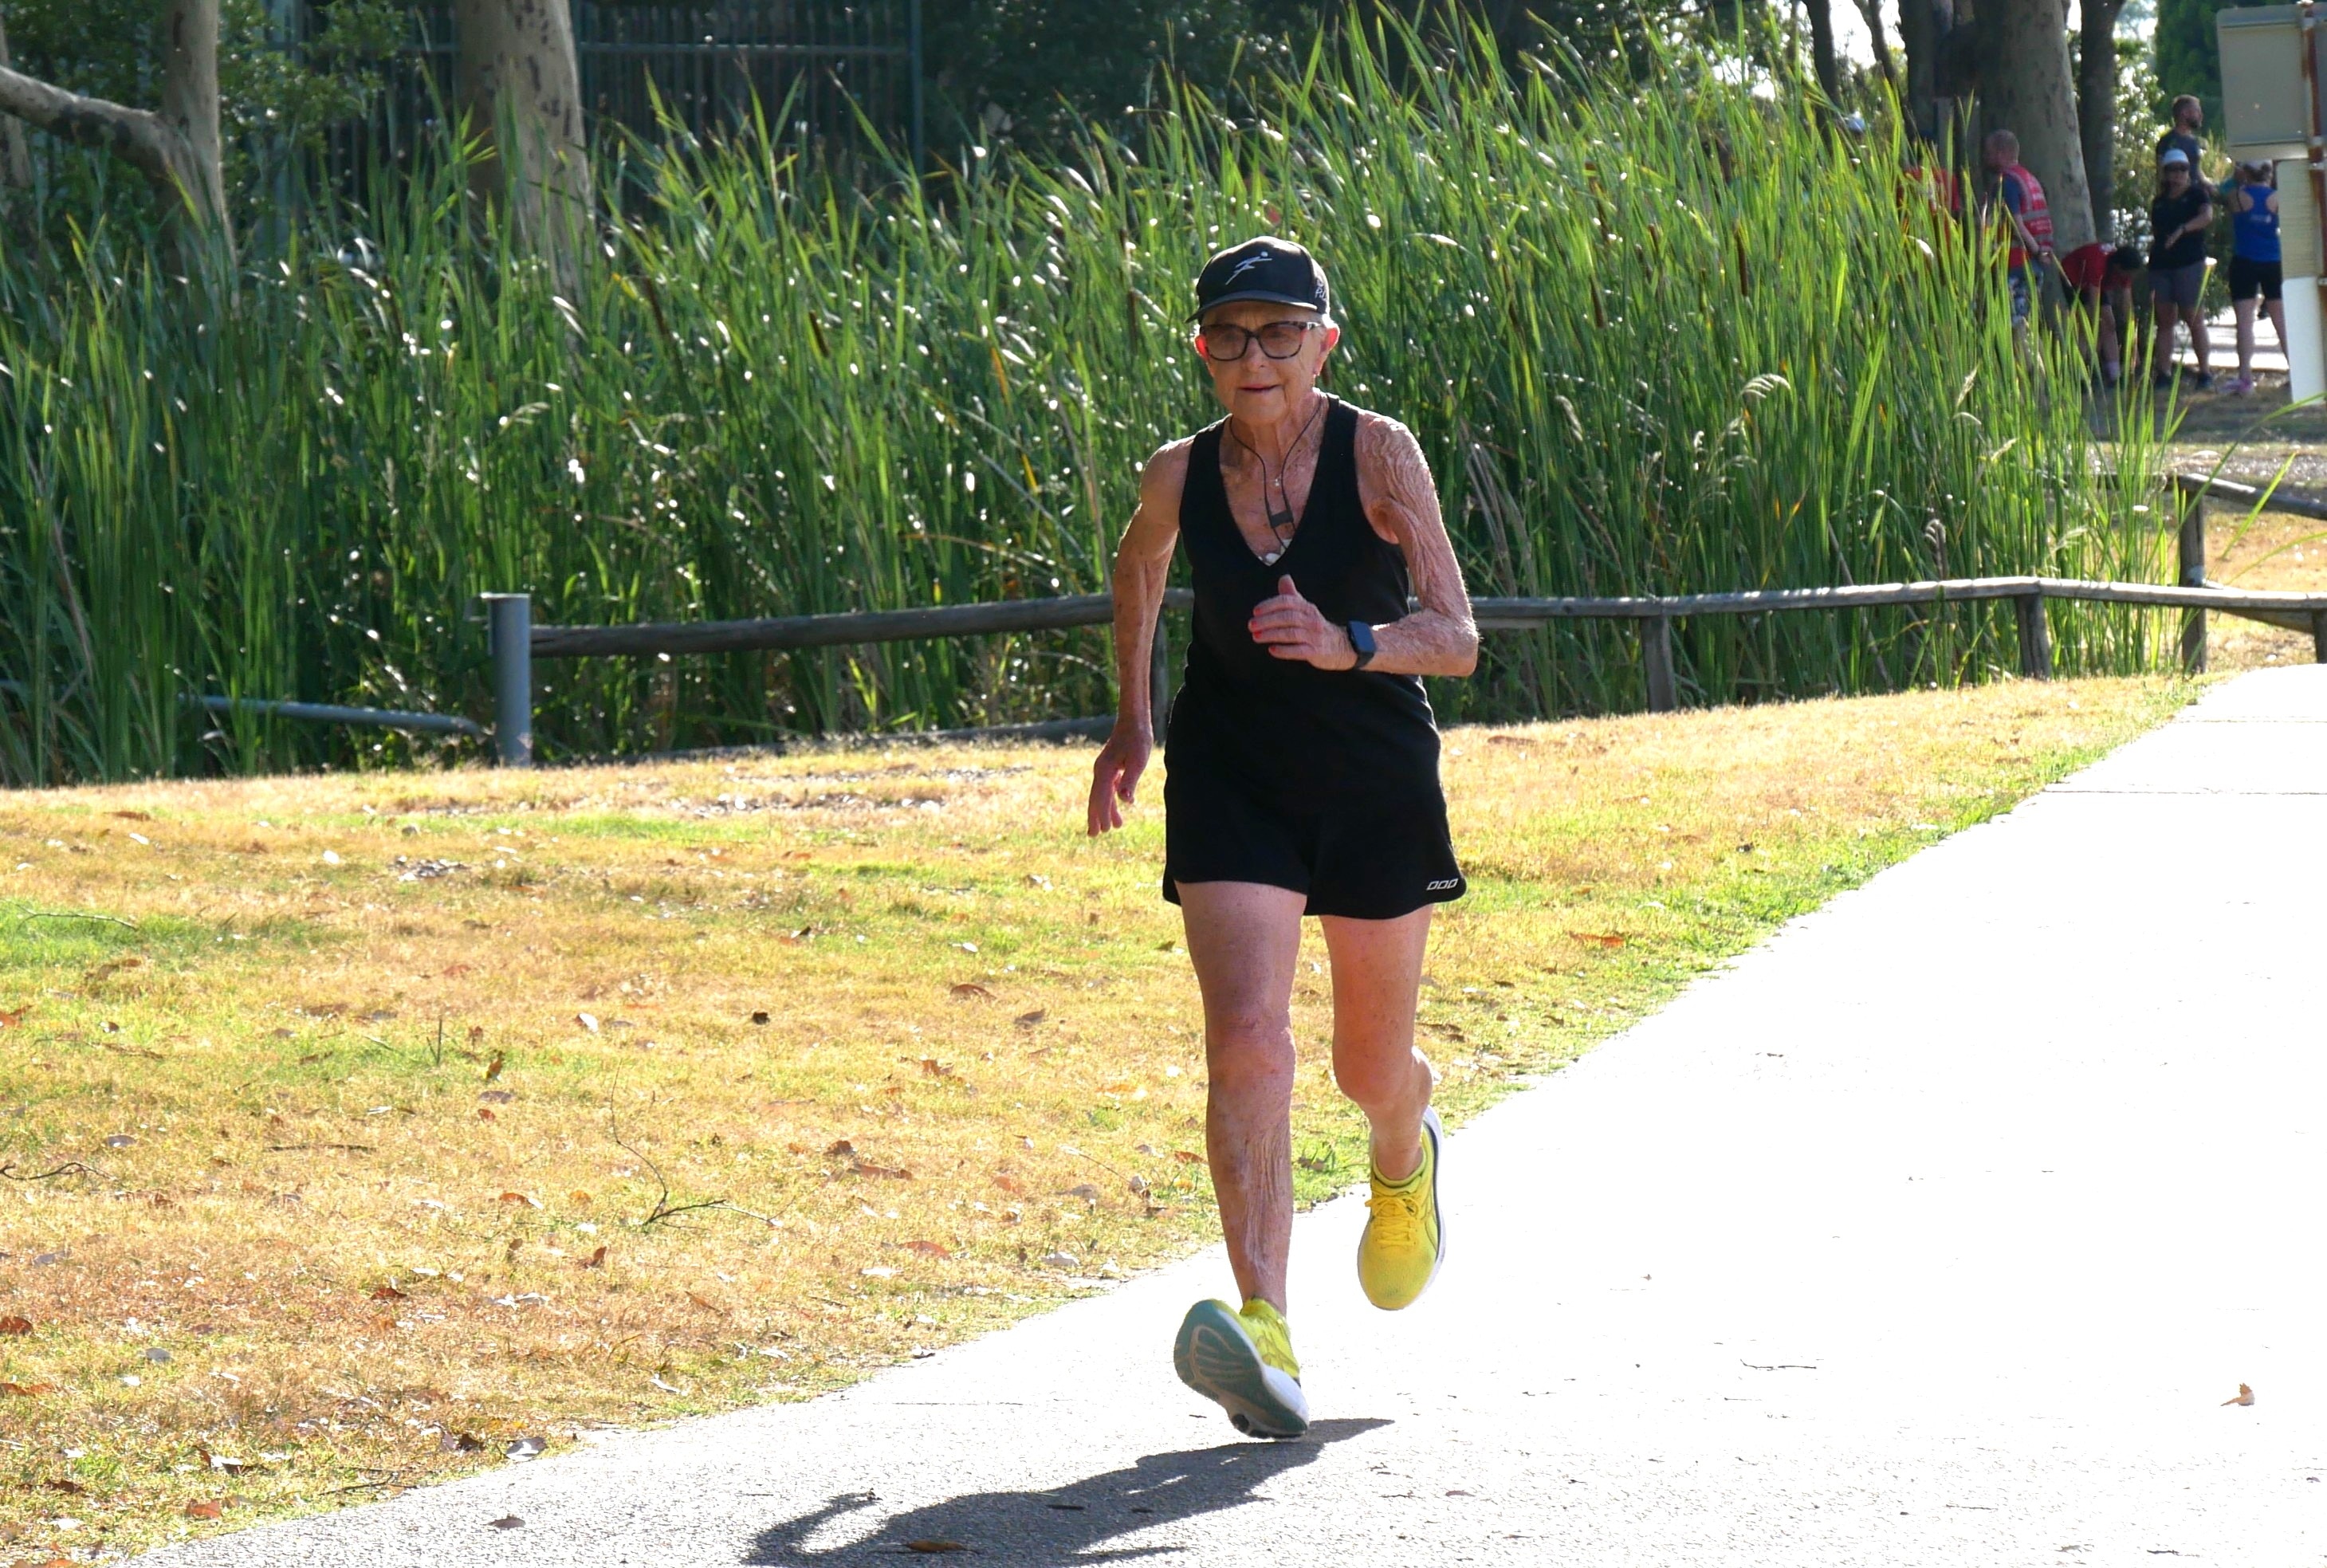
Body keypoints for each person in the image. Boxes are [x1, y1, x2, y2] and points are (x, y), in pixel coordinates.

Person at [1087, 236, 1478, 1440]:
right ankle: (1265, 1332)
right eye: (1226, 335)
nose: (1252, 356)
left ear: (1324, 342)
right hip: (1233, 774)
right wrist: (1133, 719)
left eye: (1277, 333)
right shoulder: (1174, 473)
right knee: (1247, 1038)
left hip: (1369, 773)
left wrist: (1348, 641)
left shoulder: (1379, 451)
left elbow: (1455, 636)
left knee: (1367, 1064)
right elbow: (1137, 569)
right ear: (1199, 351)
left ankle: (1401, 1142)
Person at [2148, 148, 2215, 390]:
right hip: (2161, 265)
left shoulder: (2197, 194)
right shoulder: (2160, 201)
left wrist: (2183, 230)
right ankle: (2163, 372)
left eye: (2182, 169)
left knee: (2194, 317)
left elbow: (2207, 217)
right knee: (2165, 320)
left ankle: (2205, 372)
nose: (2177, 174)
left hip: (2189, 263)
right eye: (2172, 170)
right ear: (2165, 173)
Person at [1982, 130, 2054, 336]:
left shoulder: (2007, 183)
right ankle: (2038, 368)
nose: (1985, 157)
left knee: (2015, 328)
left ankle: (2026, 367)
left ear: (2001, 153)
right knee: (2027, 325)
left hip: (2016, 264)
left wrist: (2036, 250)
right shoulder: (2029, 180)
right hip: (2035, 266)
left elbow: (2016, 223)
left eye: (1989, 152)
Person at [2226, 159, 2286, 396]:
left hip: (2244, 262)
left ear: (2245, 173)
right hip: (2273, 261)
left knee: (2244, 321)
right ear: (2269, 173)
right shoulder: (2278, 198)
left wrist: (2237, 177)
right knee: (2281, 319)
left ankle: (2245, 379)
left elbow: (2219, 189)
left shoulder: (2236, 196)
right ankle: (2298, 373)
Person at [2159, 95, 2205, 175]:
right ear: (2185, 113)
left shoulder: (2194, 141)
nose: (2201, 116)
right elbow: (2161, 174)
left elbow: (2196, 171)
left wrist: (2208, 184)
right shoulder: (2168, 142)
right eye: (2197, 111)